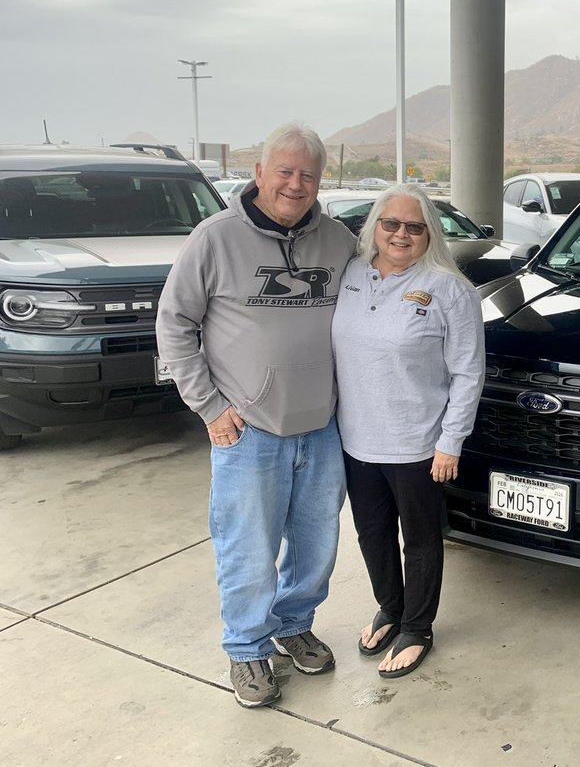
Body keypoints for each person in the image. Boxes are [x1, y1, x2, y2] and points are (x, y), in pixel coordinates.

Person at [156, 122, 357, 708]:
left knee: (317, 542)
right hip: (248, 429)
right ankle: (247, 650)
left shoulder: (338, 240)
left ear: (322, 181)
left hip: (321, 427)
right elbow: (174, 326)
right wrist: (209, 407)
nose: (296, 184)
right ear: (260, 173)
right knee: (247, 547)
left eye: (309, 175)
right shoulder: (214, 239)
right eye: (286, 172)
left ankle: (293, 623)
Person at [333, 183, 484, 679]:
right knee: (371, 533)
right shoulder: (353, 275)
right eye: (390, 223)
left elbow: (467, 371)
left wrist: (450, 442)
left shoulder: (449, 289)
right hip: (356, 440)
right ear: (374, 226)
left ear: (429, 234)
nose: (400, 234)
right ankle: (390, 608)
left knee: (419, 540)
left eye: (413, 227)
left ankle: (417, 627)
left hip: (419, 445)